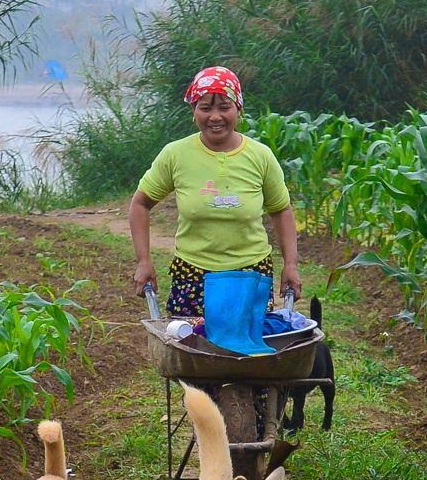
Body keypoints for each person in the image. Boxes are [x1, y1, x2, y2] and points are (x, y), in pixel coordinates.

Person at [129, 66, 303, 319]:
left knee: (246, 351)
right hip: (192, 274)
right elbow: (140, 204)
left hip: (250, 274)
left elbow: (281, 209)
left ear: (239, 110)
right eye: (206, 108)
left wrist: (291, 265)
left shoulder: (260, 156)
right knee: (191, 346)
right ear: (194, 111)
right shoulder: (176, 154)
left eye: (224, 107)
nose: (215, 117)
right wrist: (143, 261)